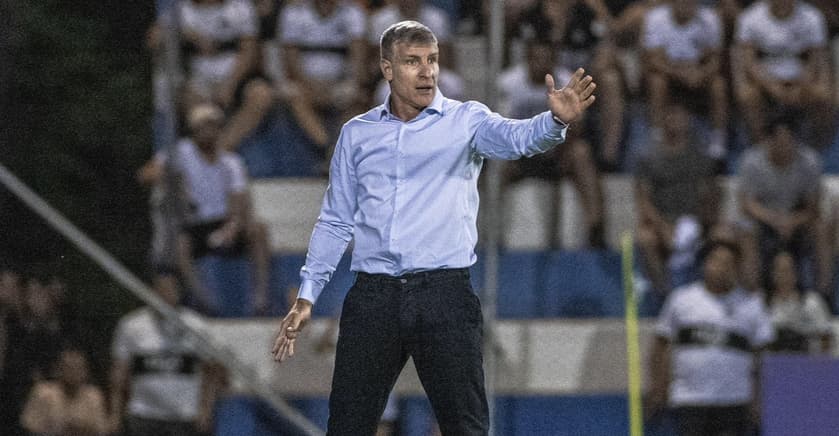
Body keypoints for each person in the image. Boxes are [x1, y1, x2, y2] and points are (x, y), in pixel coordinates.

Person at [272, 20, 596, 435]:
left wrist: (554, 123)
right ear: (387, 69)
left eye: (433, 61)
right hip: (374, 297)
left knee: (467, 428)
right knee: (348, 427)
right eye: (412, 62)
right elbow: (335, 222)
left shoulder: (466, 121)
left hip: (443, 294)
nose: (427, 72)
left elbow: (517, 139)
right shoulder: (356, 135)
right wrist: (307, 297)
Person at [137, 103, 271, 316]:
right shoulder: (180, 152)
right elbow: (146, 174)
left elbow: (240, 198)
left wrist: (233, 225)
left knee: (258, 230)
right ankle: (203, 301)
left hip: (223, 222)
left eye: (213, 126)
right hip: (194, 224)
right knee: (181, 245)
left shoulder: (231, 161)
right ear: (194, 130)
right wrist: (171, 178)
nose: (208, 132)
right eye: (203, 127)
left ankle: (260, 298)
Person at [647, 240, 775, 436]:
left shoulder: (751, 305)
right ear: (705, 264)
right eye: (716, 261)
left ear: (736, 268)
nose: (721, 268)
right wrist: (658, 387)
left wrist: (759, 399)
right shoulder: (681, 300)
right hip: (690, 400)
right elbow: (662, 346)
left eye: (728, 263)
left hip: (734, 401)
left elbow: (762, 357)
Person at [497, 38, 606, 248]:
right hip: (522, 151)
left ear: (554, 60)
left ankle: (595, 227)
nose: (541, 64)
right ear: (527, 59)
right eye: (536, 59)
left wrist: (560, 147)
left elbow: (578, 127)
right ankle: (493, 232)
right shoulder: (509, 83)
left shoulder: (567, 81)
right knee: (495, 160)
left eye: (547, 59)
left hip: (556, 151)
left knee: (581, 152)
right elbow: (503, 129)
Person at [108, 270, 225, 436]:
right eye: (160, 290)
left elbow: (212, 372)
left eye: (170, 289)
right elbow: (119, 373)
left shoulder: (196, 327)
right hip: (144, 414)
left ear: (179, 292)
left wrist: (205, 409)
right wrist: (115, 413)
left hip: (184, 416)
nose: (165, 295)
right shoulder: (131, 326)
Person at [736, 114, 829, 296]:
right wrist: (774, 220)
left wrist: (792, 221)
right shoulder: (752, 161)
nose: (784, 146)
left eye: (789, 141)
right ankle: (753, 293)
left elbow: (813, 207)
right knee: (746, 230)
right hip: (765, 219)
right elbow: (747, 204)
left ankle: (823, 293)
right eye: (779, 141)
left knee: (821, 228)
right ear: (768, 140)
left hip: (797, 221)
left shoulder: (809, 161)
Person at [169, 0, 275, 152]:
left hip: (235, 77)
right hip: (199, 79)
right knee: (190, 100)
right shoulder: (183, 9)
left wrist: (229, 85)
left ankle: (220, 150)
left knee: (261, 94)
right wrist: (188, 34)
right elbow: (155, 37)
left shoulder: (240, 7)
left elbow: (249, 51)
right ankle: (201, 155)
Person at [635, 104, 719, 293]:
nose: (675, 122)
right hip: (662, 221)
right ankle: (664, 292)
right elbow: (643, 199)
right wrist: (662, 227)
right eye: (671, 116)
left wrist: (701, 223)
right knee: (645, 238)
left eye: (680, 116)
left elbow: (711, 194)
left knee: (722, 235)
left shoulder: (701, 155)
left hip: (694, 219)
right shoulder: (648, 156)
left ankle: (709, 292)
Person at [733, 0, 834, 147]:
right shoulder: (750, 17)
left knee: (822, 95)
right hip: (764, 75)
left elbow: (816, 59)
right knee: (748, 96)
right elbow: (749, 62)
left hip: (800, 75)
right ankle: (761, 147)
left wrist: (801, 85)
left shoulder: (812, 16)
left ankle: (815, 148)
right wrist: (771, 86)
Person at [641, 0, 728, 160]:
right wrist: (679, 73)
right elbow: (653, 59)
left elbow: (716, 60)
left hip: (699, 76)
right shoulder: (656, 19)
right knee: (656, 82)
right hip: (669, 74)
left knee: (718, 85)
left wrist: (702, 73)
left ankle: (718, 142)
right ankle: (657, 135)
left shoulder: (709, 19)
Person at [20, 347, 108, 436]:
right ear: (58, 370)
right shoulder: (43, 392)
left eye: (78, 368)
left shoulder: (94, 396)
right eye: (69, 367)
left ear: (86, 372)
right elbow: (30, 427)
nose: (74, 372)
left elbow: (100, 430)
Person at [766, 251, 833, 353]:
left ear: (795, 273)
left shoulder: (812, 302)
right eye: (780, 270)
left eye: (788, 270)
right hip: (776, 361)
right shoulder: (765, 305)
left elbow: (826, 335)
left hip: (806, 361)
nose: (784, 275)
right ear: (773, 274)